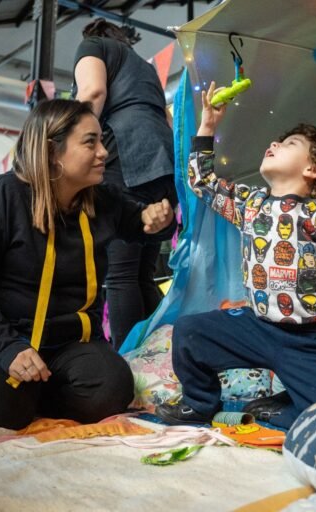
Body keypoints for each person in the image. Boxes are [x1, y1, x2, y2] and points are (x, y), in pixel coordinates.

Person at [0, 99, 175, 430]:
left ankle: (30, 397)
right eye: (90, 142)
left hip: (70, 346)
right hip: (3, 340)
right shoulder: (2, 195)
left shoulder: (102, 200)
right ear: (51, 151)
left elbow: (142, 222)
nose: (104, 152)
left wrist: (156, 220)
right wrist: (6, 345)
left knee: (112, 389)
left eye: (101, 141)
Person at [156, 83, 316, 429]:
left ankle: (277, 407)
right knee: (190, 331)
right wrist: (207, 126)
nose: (274, 144)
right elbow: (201, 183)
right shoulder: (250, 204)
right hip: (257, 327)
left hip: (310, 338)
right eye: (278, 142)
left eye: (289, 144)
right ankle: (199, 403)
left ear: (314, 170)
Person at [73, 19, 177, 349]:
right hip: (164, 160)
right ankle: (157, 355)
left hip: (126, 154)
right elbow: (167, 119)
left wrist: (67, 140)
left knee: (120, 273)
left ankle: (127, 362)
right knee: (142, 273)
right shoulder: (145, 69)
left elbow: (92, 92)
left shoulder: (93, 46)